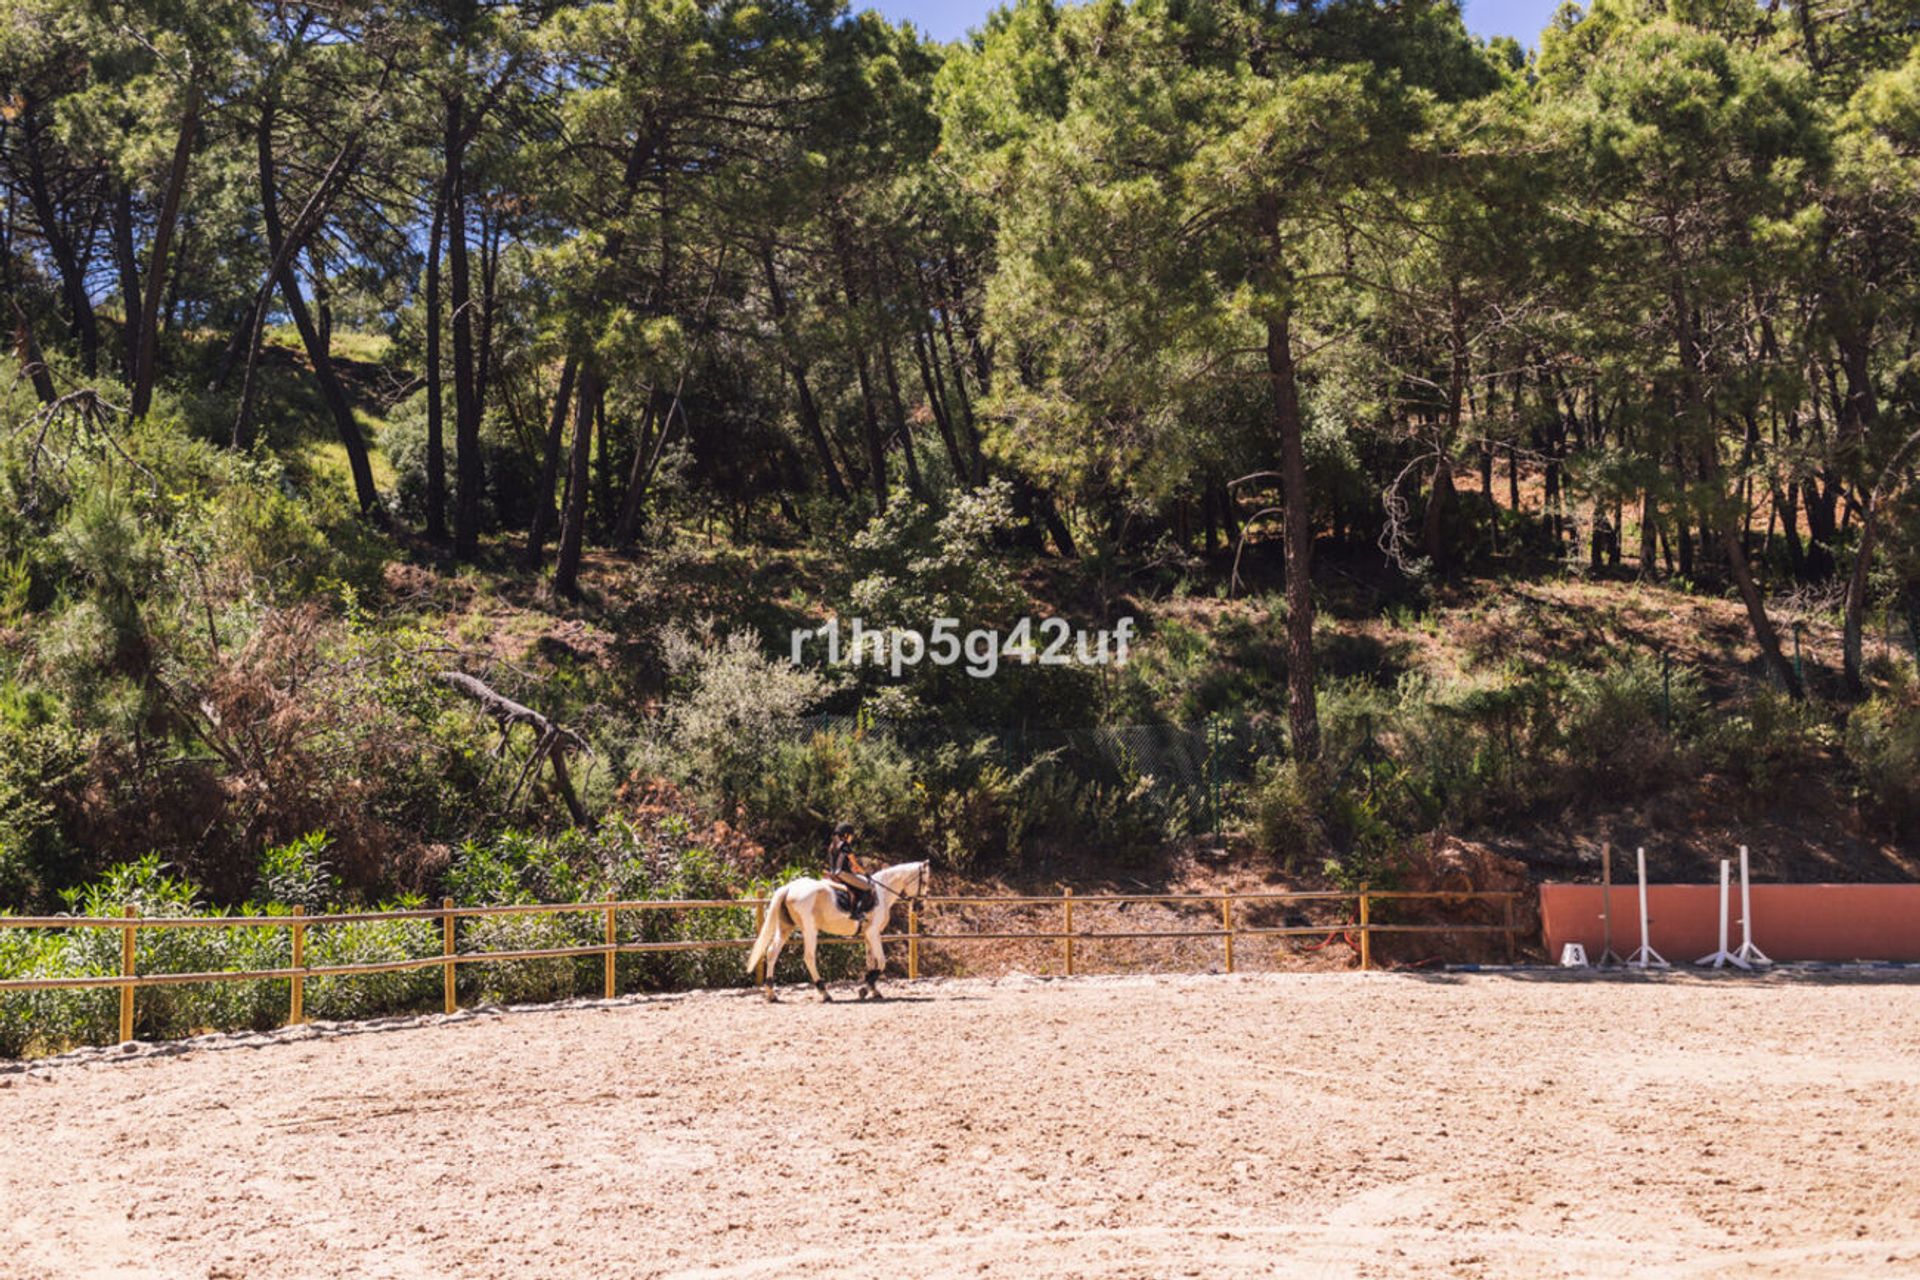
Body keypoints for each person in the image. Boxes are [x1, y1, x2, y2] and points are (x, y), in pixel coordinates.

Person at [824, 822, 874, 924]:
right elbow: (855, 864)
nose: (852, 838)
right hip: (842, 874)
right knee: (868, 888)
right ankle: (856, 913)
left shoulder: (832, 846)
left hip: (832, 874)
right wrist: (865, 873)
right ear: (846, 835)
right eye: (851, 835)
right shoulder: (845, 846)